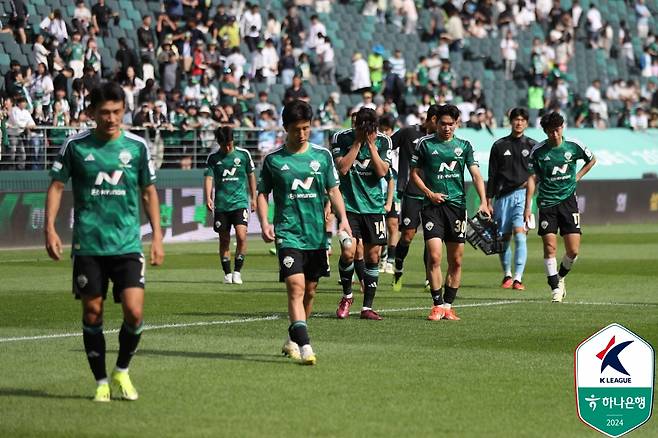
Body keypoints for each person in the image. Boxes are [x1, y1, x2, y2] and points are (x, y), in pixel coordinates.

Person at [45, 82, 164, 402]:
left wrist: (157, 237)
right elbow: (57, 186)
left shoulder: (137, 147)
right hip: (89, 245)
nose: (111, 118)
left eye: (116, 112)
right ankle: (100, 381)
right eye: (104, 113)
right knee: (93, 313)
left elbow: (149, 191)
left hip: (127, 244)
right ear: (91, 113)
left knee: (134, 312)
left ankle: (121, 371)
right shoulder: (75, 146)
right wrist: (50, 229)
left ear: (124, 111)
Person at [257, 99, 351, 365]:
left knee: (310, 291)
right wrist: (265, 222)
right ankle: (306, 346)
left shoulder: (322, 157)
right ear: (285, 128)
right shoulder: (274, 160)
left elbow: (333, 190)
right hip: (288, 233)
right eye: (297, 129)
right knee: (296, 288)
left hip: (316, 236)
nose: (302, 134)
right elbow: (262, 193)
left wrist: (342, 219)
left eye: (306, 128)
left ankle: (292, 339)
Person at [409, 104, 490, 321]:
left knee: (456, 261)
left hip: (456, 208)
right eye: (443, 123)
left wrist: (483, 201)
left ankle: (447, 306)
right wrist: (428, 193)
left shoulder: (464, 146)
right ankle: (436, 304)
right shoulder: (424, 145)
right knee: (434, 256)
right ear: (436, 123)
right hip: (432, 207)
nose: (446, 128)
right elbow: (414, 174)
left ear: (457, 124)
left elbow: (476, 175)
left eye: (451, 124)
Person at [524, 112, 596, 303]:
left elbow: (592, 160)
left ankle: (561, 276)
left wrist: (577, 176)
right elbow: (532, 178)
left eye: (557, 130)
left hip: (568, 202)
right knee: (550, 246)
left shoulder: (574, 145)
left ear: (562, 127)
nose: (554, 135)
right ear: (545, 132)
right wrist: (528, 206)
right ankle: (555, 286)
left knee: (573, 251)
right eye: (550, 131)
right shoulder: (538, 151)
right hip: (547, 203)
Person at [333, 107, 392, 321]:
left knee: (373, 256)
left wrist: (371, 145)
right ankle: (347, 296)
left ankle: (367, 307)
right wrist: (358, 143)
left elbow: (383, 172)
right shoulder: (341, 138)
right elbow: (343, 169)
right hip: (348, 208)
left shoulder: (384, 141)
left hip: (374, 208)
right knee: (348, 251)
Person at [391, 105, 441, 292]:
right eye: (438, 121)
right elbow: (387, 147)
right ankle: (398, 268)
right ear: (432, 120)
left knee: (432, 236)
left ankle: (429, 277)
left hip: (433, 194)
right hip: (412, 191)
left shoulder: (440, 141)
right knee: (408, 236)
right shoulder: (408, 132)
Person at [486, 108, 537, 290]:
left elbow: (537, 175)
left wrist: (531, 198)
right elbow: (491, 175)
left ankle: (518, 278)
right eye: (516, 119)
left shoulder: (533, 145)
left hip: (523, 196)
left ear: (527, 122)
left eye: (522, 120)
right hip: (502, 197)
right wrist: (488, 202)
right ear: (511, 121)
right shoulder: (499, 145)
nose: (519, 123)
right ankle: (507, 274)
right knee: (504, 238)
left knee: (520, 235)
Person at [205, 127, 256, 284]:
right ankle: (227, 273)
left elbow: (251, 175)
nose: (227, 148)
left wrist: (253, 197)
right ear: (218, 143)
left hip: (240, 203)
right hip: (221, 205)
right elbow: (208, 178)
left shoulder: (243, 155)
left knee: (241, 235)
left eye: (229, 144)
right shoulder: (213, 158)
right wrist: (208, 197)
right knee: (224, 239)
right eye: (223, 145)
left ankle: (237, 271)